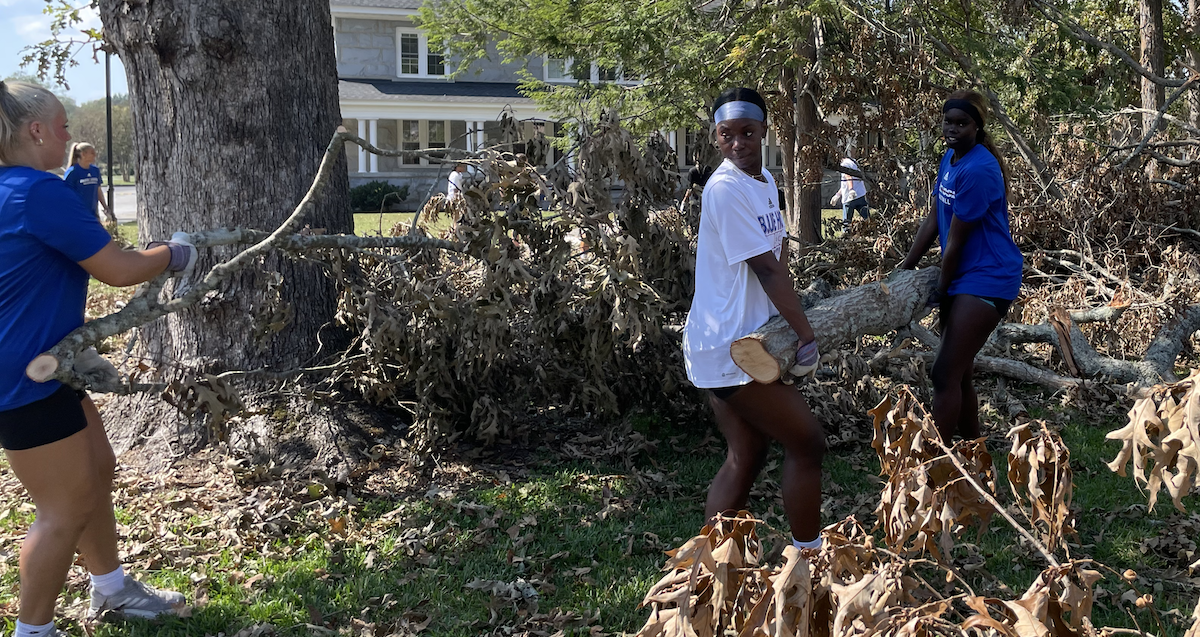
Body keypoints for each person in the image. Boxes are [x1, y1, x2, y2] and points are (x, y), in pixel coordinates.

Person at [0, 80, 195, 637]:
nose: (67, 136)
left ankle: (111, 590)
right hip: (23, 374)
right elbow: (120, 269)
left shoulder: (11, 190)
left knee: (97, 472)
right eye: (61, 126)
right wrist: (177, 252)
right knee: (63, 507)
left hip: (52, 362)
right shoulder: (38, 192)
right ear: (35, 130)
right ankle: (33, 631)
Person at [682, 87, 826, 552]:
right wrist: (806, 335)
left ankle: (714, 568)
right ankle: (809, 558)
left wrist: (786, 324)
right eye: (727, 135)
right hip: (727, 346)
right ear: (715, 137)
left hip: (743, 338)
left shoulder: (763, 178)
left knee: (748, 454)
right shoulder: (725, 189)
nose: (738, 143)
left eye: (748, 132)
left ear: (764, 131)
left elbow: (775, 260)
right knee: (808, 443)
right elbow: (765, 270)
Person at [896, 89, 1022, 444]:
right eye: (947, 122)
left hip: (989, 277)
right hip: (965, 274)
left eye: (961, 123)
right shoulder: (950, 159)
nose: (952, 129)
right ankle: (972, 456)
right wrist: (906, 267)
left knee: (943, 373)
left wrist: (942, 291)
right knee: (960, 373)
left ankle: (937, 460)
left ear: (977, 126)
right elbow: (934, 219)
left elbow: (956, 242)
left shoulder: (980, 169)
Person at [62, 142, 114, 224]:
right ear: (83, 154)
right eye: (92, 153)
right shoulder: (72, 172)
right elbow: (66, 194)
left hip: (93, 213)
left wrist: (105, 207)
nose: (95, 155)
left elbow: (98, 190)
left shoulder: (95, 170)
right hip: (78, 214)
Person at [829, 154, 869, 231]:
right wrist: (837, 195)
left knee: (847, 223)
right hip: (860, 194)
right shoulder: (853, 161)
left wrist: (851, 190)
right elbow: (845, 184)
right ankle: (871, 232)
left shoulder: (844, 164)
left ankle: (846, 238)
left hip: (849, 198)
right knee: (867, 218)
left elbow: (848, 177)